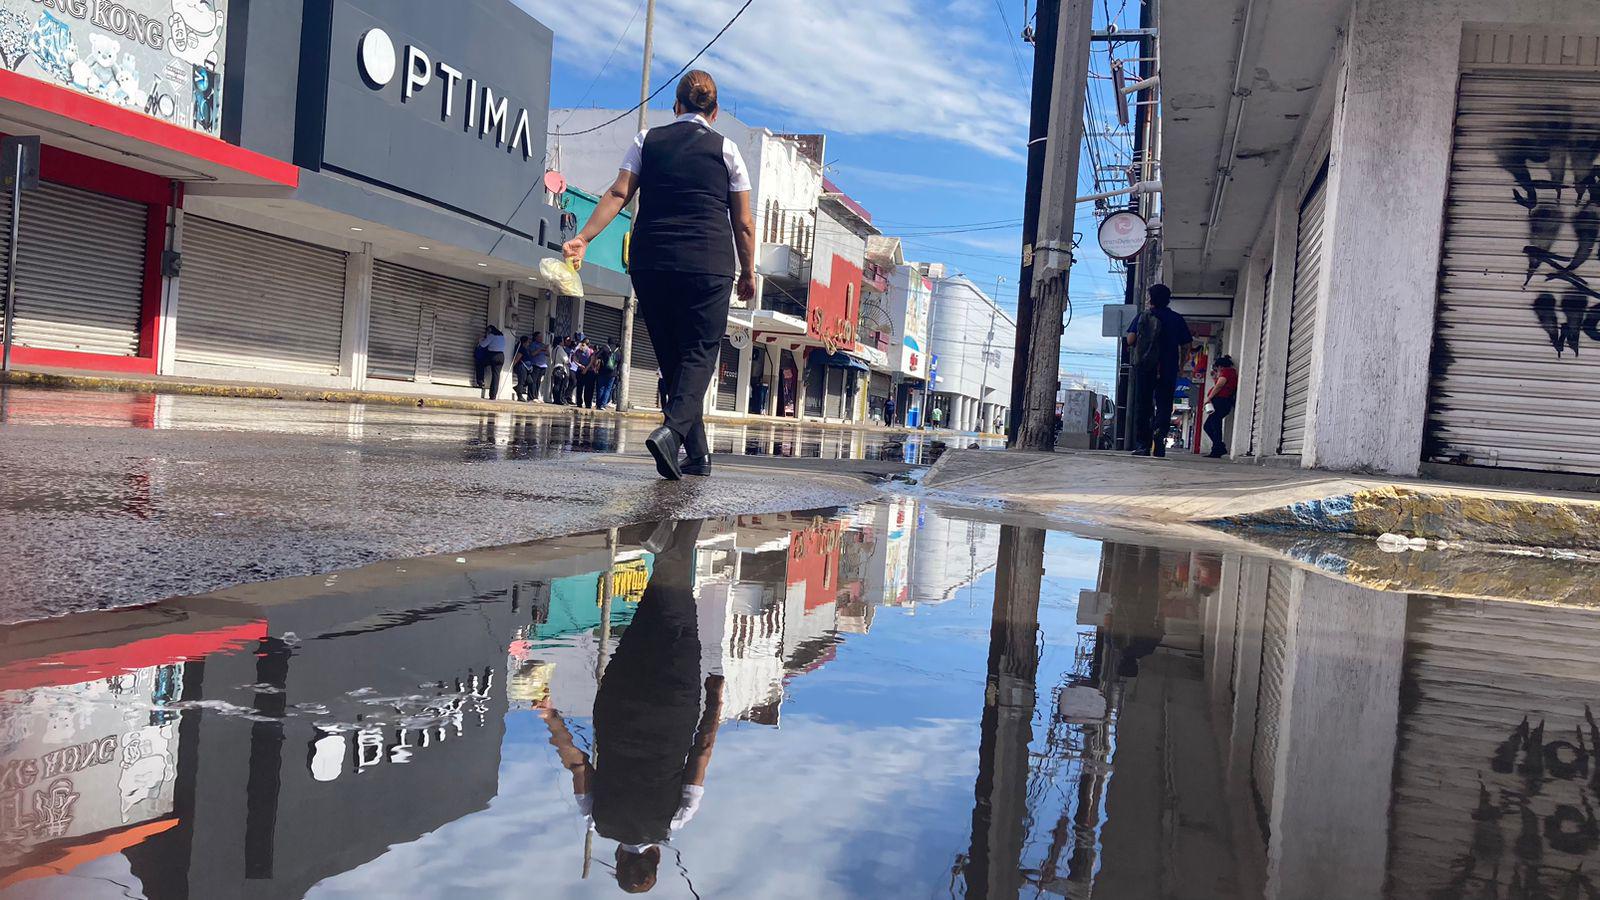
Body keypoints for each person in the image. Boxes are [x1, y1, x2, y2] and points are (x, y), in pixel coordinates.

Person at [564, 70, 757, 480]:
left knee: (674, 360)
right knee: (700, 352)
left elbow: (619, 192)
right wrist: (748, 271)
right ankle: (671, 433)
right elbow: (743, 223)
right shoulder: (728, 150)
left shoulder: (646, 140)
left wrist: (584, 237)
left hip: (651, 262)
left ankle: (698, 455)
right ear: (715, 112)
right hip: (707, 264)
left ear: (676, 107)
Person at [542, 519, 725, 894]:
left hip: (673, 704)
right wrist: (550, 715)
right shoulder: (597, 818)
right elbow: (577, 762)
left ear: (656, 857)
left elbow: (703, 750)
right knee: (653, 611)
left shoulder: (675, 820)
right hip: (619, 704)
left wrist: (715, 699)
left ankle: (688, 512)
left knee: (675, 613)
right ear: (620, 859)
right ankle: (676, 526)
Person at [1124, 284, 1193, 458]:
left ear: (1151, 299)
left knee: (1143, 405)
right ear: (1168, 299)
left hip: (1146, 366)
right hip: (1167, 367)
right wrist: (1181, 365)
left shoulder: (1143, 316)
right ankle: (1159, 438)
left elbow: (1130, 339)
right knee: (1164, 405)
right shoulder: (1176, 319)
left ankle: (1143, 445)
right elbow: (1186, 345)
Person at [1204, 355, 1239, 458]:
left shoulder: (1227, 372)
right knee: (1212, 425)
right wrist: (1215, 376)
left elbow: (1220, 385)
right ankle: (1219, 447)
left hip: (1221, 401)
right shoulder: (1229, 372)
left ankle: (1218, 448)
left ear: (1220, 366)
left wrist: (1209, 398)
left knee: (1213, 426)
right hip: (1222, 401)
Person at [475, 326, 508, 400]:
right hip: (501, 356)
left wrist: (480, 339)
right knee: (496, 376)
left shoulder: (491, 335)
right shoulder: (502, 336)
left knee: (480, 363)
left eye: (488, 331)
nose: (487, 332)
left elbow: (483, 345)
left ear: (490, 330)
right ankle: (493, 396)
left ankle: (480, 381)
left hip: (493, 355)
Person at [511, 335, 536, 402]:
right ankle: (519, 396)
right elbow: (517, 358)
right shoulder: (521, 349)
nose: (528, 343)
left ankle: (517, 388)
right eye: (528, 342)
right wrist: (513, 366)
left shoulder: (526, 349)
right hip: (521, 367)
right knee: (521, 382)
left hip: (527, 368)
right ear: (524, 342)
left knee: (530, 381)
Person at [550, 336, 573, 405]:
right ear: (560, 342)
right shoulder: (560, 349)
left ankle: (556, 399)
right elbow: (565, 359)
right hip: (561, 369)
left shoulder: (554, 349)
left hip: (555, 368)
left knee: (556, 385)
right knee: (561, 386)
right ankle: (560, 400)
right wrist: (569, 363)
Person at [597, 342, 620, 409]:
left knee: (601, 388)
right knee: (608, 389)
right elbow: (619, 365)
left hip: (602, 372)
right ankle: (603, 405)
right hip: (612, 374)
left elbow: (597, 356)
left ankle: (598, 405)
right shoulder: (618, 352)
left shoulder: (604, 348)